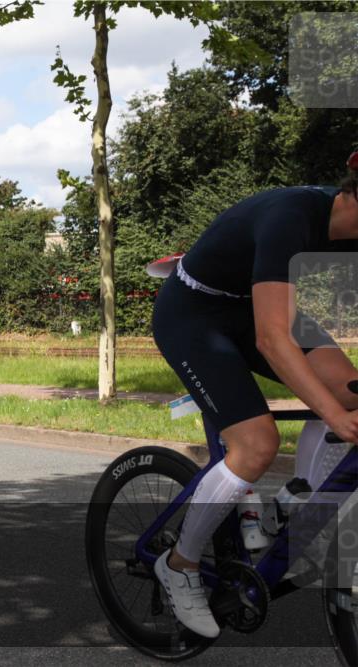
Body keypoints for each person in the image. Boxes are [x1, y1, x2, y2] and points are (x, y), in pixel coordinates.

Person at [150, 152, 358, 638]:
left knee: (350, 394)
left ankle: (293, 501)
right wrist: (333, 416)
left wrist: (338, 409)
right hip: (194, 315)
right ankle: (180, 563)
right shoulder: (292, 218)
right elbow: (271, 339)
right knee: (257, 444)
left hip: (251, 307)